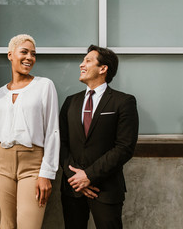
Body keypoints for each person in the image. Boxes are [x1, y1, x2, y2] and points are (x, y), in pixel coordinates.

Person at [0, 34, 60, 229]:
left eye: (33, 54)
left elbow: (52, 131)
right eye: (24, 52)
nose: (29, 57)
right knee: (5, 226)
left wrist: (47, 173)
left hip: (33, 165)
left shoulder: (44, 86)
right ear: (10, 55)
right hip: (0, 166)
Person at [59, 45, 139, 229]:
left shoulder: (124, 102)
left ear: (103, 69)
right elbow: (61, 143)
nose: (81, 64)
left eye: (88, 60)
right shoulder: (70, 102)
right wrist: (76, 178)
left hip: (106, 188)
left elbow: (124, 147)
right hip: (73, 189)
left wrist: (89, 175)